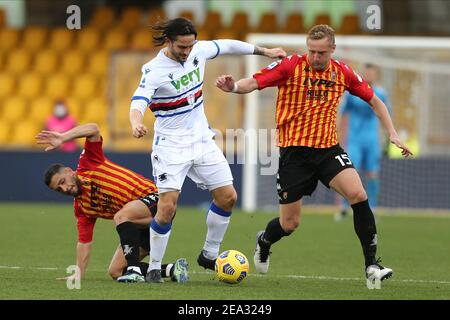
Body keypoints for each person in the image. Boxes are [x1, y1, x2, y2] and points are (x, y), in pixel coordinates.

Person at [215, 24, 412, 285]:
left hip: (328, 151)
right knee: (290, 224)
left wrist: (393, 133)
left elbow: (375, 101)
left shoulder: (342, 72)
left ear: (332, 49)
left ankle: (372, 265)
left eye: (321, 52)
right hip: (294, 155)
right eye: (312, 51)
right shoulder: (290, 66)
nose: (316, 57)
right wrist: (233, 87)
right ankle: (264, 240)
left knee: (358, 194)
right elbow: (254, 81)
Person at [129, 17, 286, 283]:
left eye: (191, 46)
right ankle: (155, 266)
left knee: (228, 197)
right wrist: (136, 121)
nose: (187, 52)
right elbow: (139, 99)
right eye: (182, 47)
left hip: (202, 139)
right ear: (169, 42)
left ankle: (209, 255)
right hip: (171, 146)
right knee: (167, 208)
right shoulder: (154, 69)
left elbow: (227, 45)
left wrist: (265, 51)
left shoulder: (198, 50)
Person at [36, 123, 189, 283]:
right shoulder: (82, 208)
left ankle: (134, 271)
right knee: (116, 271)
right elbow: (84, 242)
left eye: (62, 181)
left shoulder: (88, 163)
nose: (64, 188)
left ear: (69, 171)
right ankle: (172, 269)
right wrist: (79, 273)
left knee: (121, 216)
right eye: (59, 189)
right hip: (137, 224)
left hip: (157, 200)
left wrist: (63, 137)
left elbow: (93, 129)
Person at [334, 63, 390, 221]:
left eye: (372, 73)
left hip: (372, 140)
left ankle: (372, 208)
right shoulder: (352, 94)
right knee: (350, 173)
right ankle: (344, 208)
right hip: (354, 140)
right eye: (367, 73)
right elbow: (343, 116)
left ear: (376, 75)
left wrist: (386, 138)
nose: (370, 76)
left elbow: (386, 115)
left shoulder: (381, 94)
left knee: (372, 174)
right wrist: (341, 140)